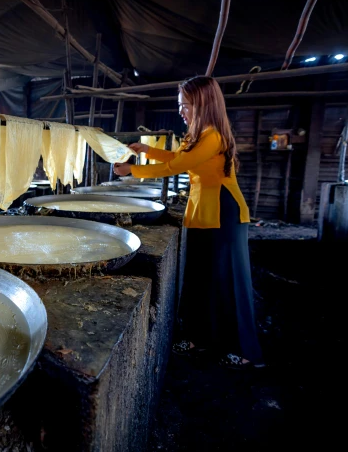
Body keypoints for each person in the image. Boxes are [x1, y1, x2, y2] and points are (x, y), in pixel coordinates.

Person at [113, 76, 263, 369]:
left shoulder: (213, 136)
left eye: (186, 105)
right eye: (180, 105)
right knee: (199, 277)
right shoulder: (198, 135)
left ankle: (244, 349)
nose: (181, 111)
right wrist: (148, 151)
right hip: (202, 211)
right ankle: (199, 338)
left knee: (228, 280)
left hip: (224, 213)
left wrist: (133, 170)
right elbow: (179, 157)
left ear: (204, 104)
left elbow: (177, 166)